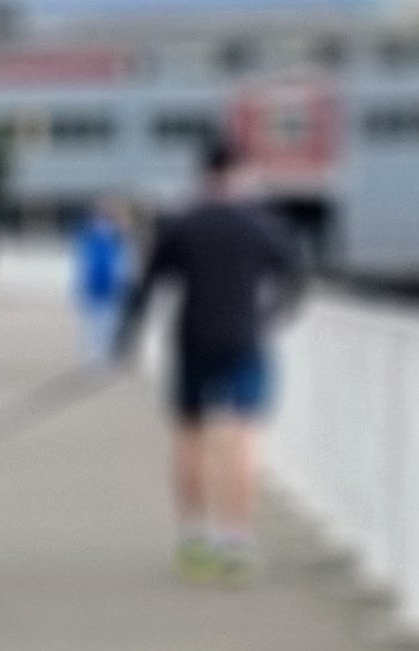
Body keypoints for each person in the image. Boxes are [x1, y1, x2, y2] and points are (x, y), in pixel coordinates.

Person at [115, 139, 305, 583]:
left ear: (202, 175)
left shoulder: (180, 223)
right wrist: (271, 317)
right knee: (241, 440)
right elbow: (295, 279)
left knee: (189, 439)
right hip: (244, 340)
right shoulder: (262, 224)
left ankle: (193, 540)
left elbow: (145, 286)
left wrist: (127, 340)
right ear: (241, 173)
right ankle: (236, 542)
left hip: (192, 340)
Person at [71, 202, 134, 367]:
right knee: (93, 327)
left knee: (106, 327)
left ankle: (102, 358)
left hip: (109, 289)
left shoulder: (116, 238)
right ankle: (94, 359)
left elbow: (122, 265)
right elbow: (82, 265)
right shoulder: (88, 238)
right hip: (94, 287)